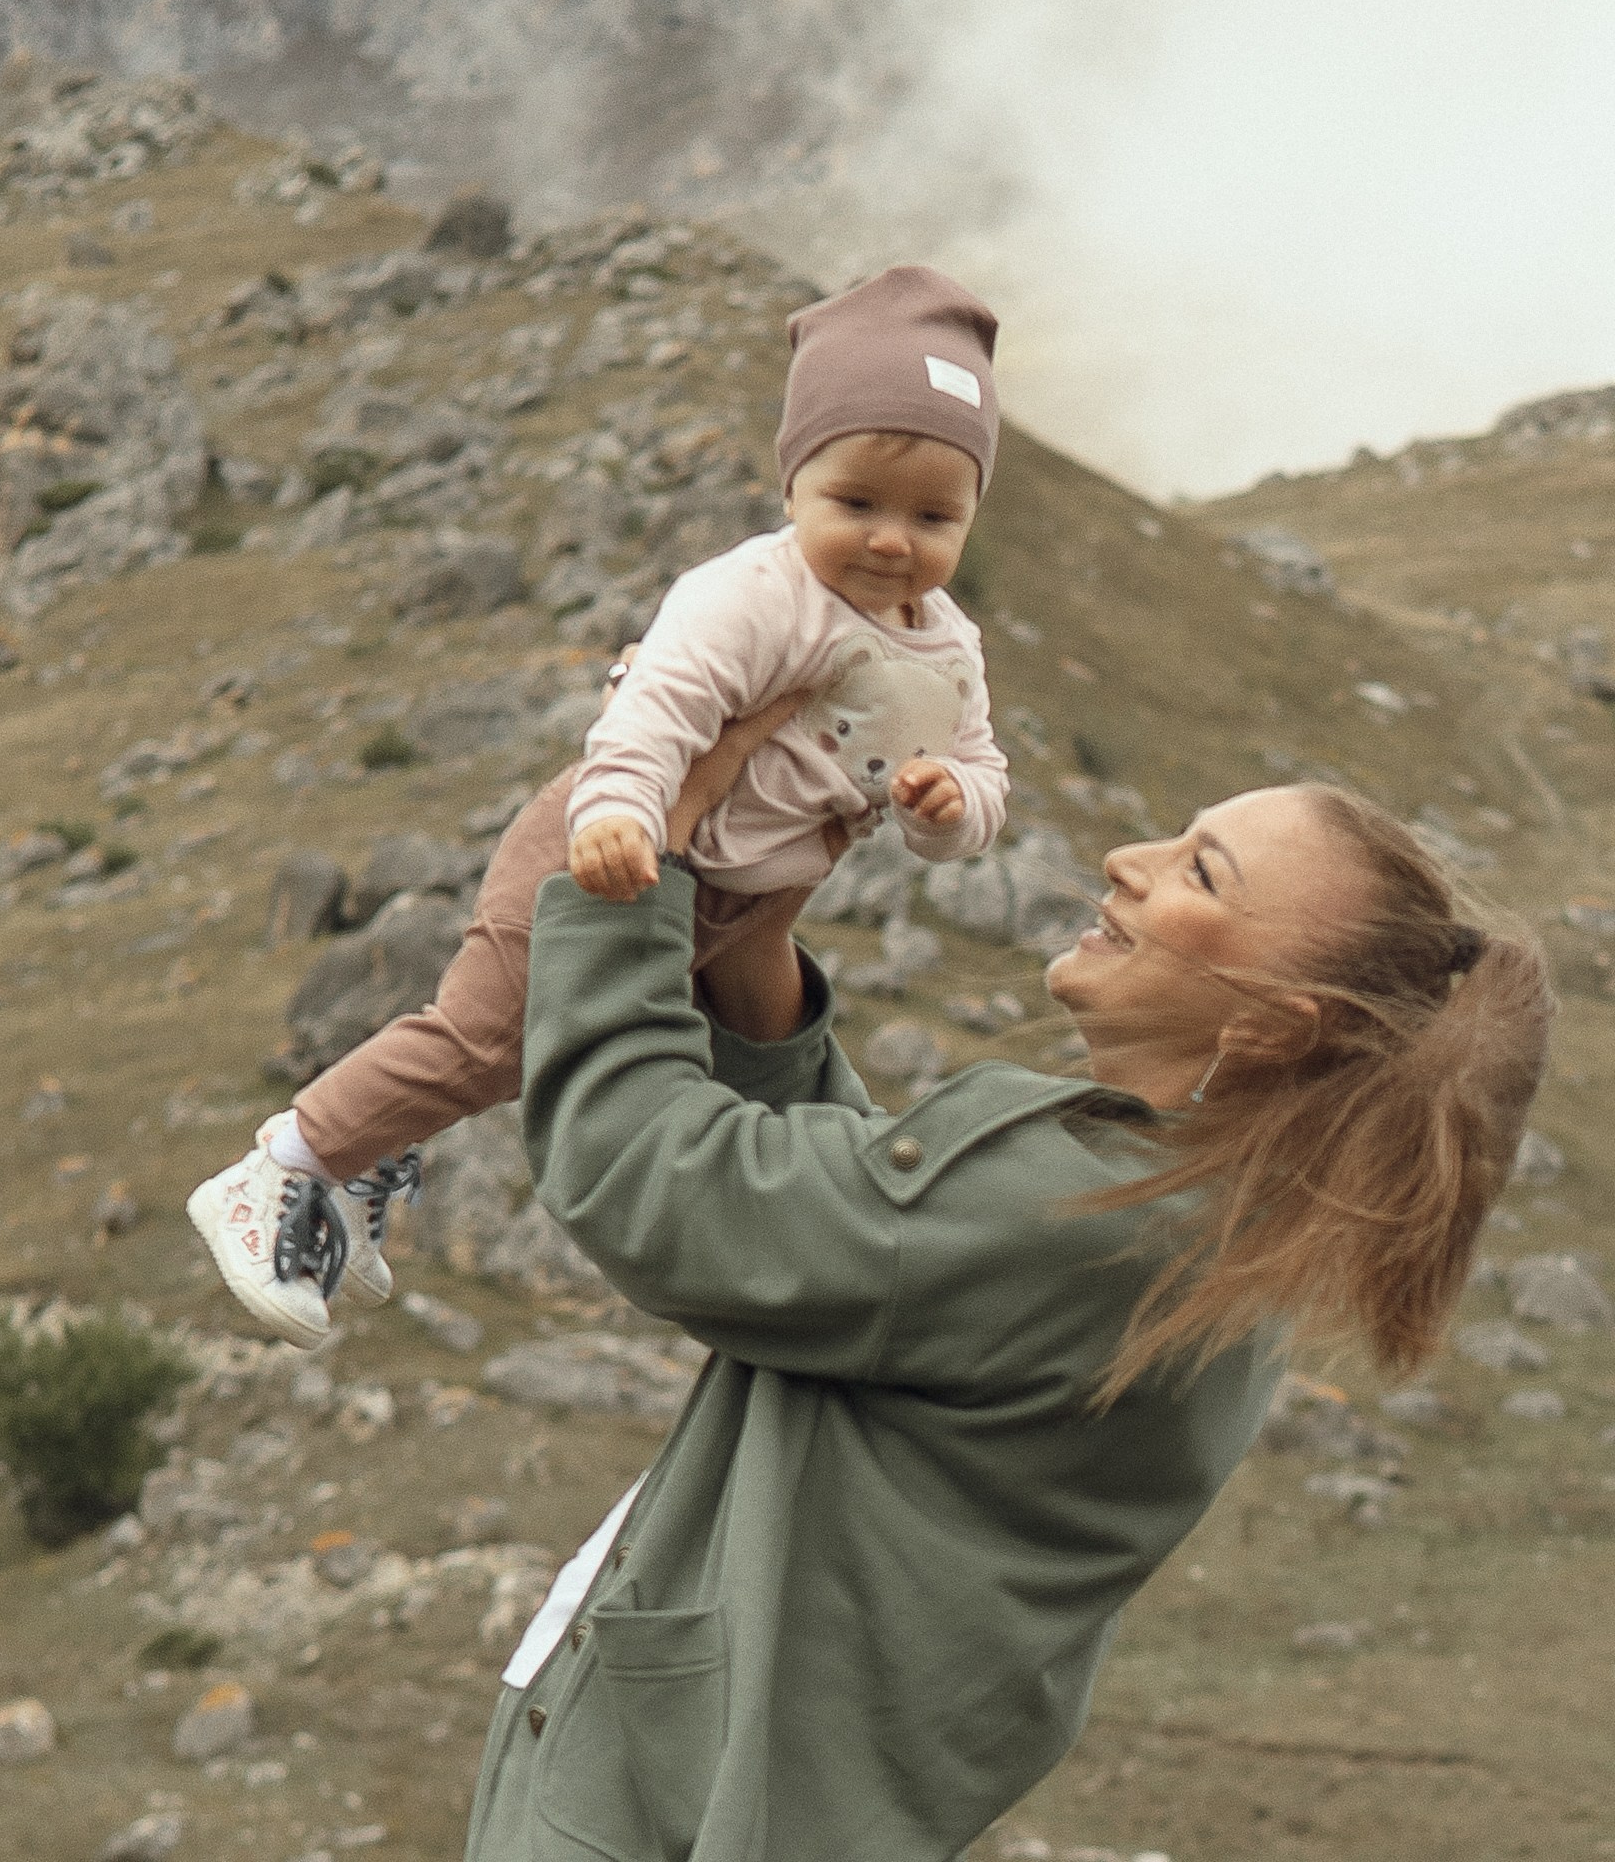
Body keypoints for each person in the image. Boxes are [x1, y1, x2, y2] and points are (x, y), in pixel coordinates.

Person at [461, 776, 1553, 1862]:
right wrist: (755, 958)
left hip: (658, 1817)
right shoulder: (1201, 1227)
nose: (1129, 856)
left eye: (1197, 870)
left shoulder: (1093, 1222)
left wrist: (628, 859)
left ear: (1271, 1027)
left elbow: (647, 1181)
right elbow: (886, 1266)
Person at [190, 264, 1012, 1344]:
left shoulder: (947, 646)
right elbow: (657, 708)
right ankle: (282, 1165)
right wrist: (615, 814)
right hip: (620, 854)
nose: (891, 540)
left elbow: (981, 766)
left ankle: (361, 1158)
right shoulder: (757, 596)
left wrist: (948, 806)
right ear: (791, 489)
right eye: (853, 503)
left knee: (764, 1055)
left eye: (932, 515)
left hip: (746, 902)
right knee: (490, 1038)